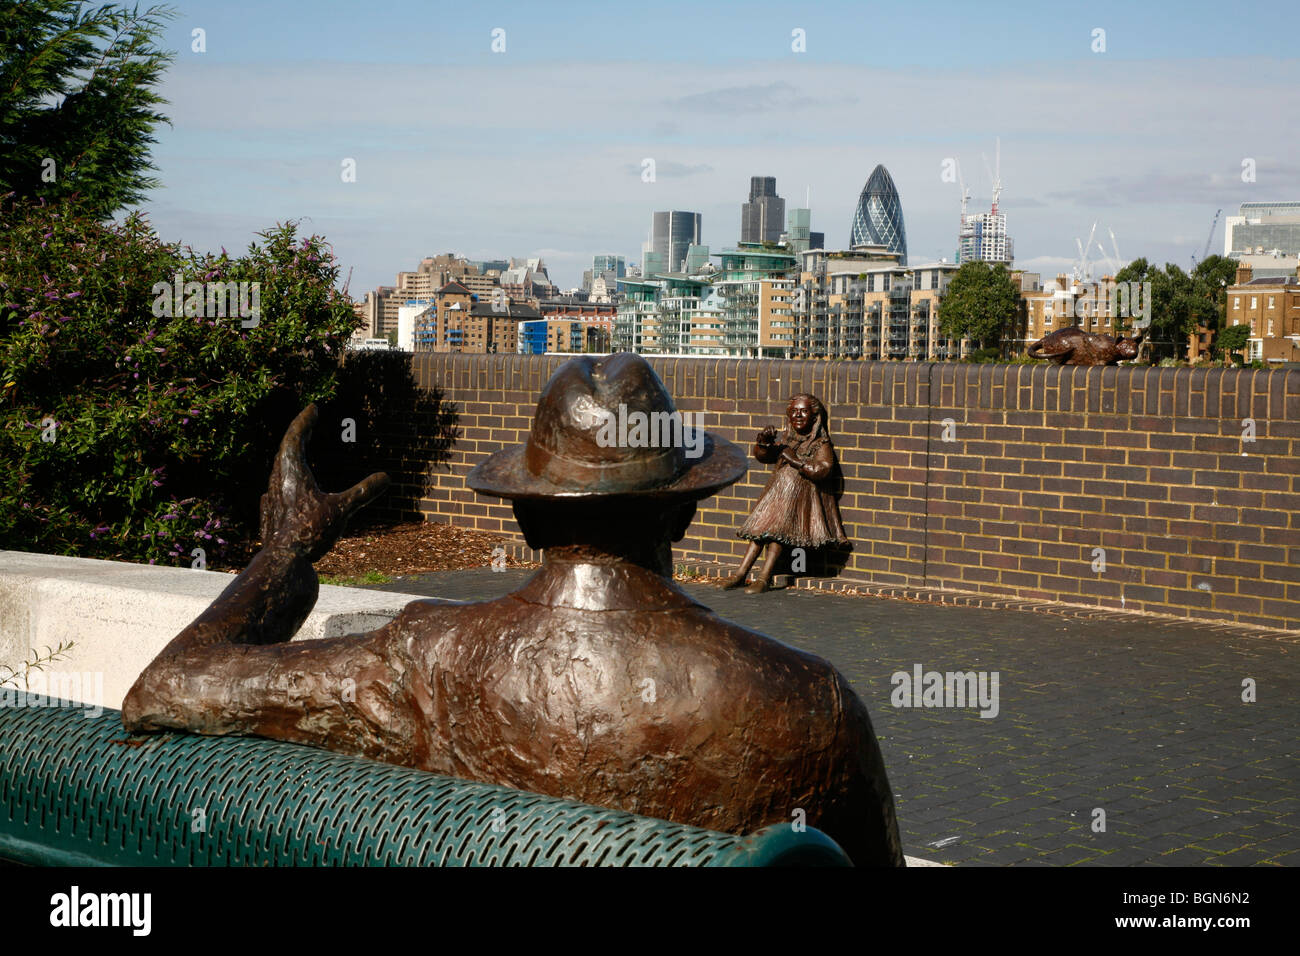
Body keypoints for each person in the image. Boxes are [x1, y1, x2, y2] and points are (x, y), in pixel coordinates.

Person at [121, 354, 903, 866]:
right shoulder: (811, 704)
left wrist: (288, 550)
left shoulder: (423, 657)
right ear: (686, 513)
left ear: (527, 517)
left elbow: (167, 686)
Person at [724, 393, 848, 594]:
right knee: (758, 532)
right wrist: (763, 444)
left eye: (804, 411)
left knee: (776, 534)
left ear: (814, 417)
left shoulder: (820, 444)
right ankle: (741, 573)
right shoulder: (787, 440)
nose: (798, 415)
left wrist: (796, 461)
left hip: (798, 500)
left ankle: (764, 577)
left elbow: (823, 469)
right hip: (776, 497)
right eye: (794, 411)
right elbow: (766, 457)